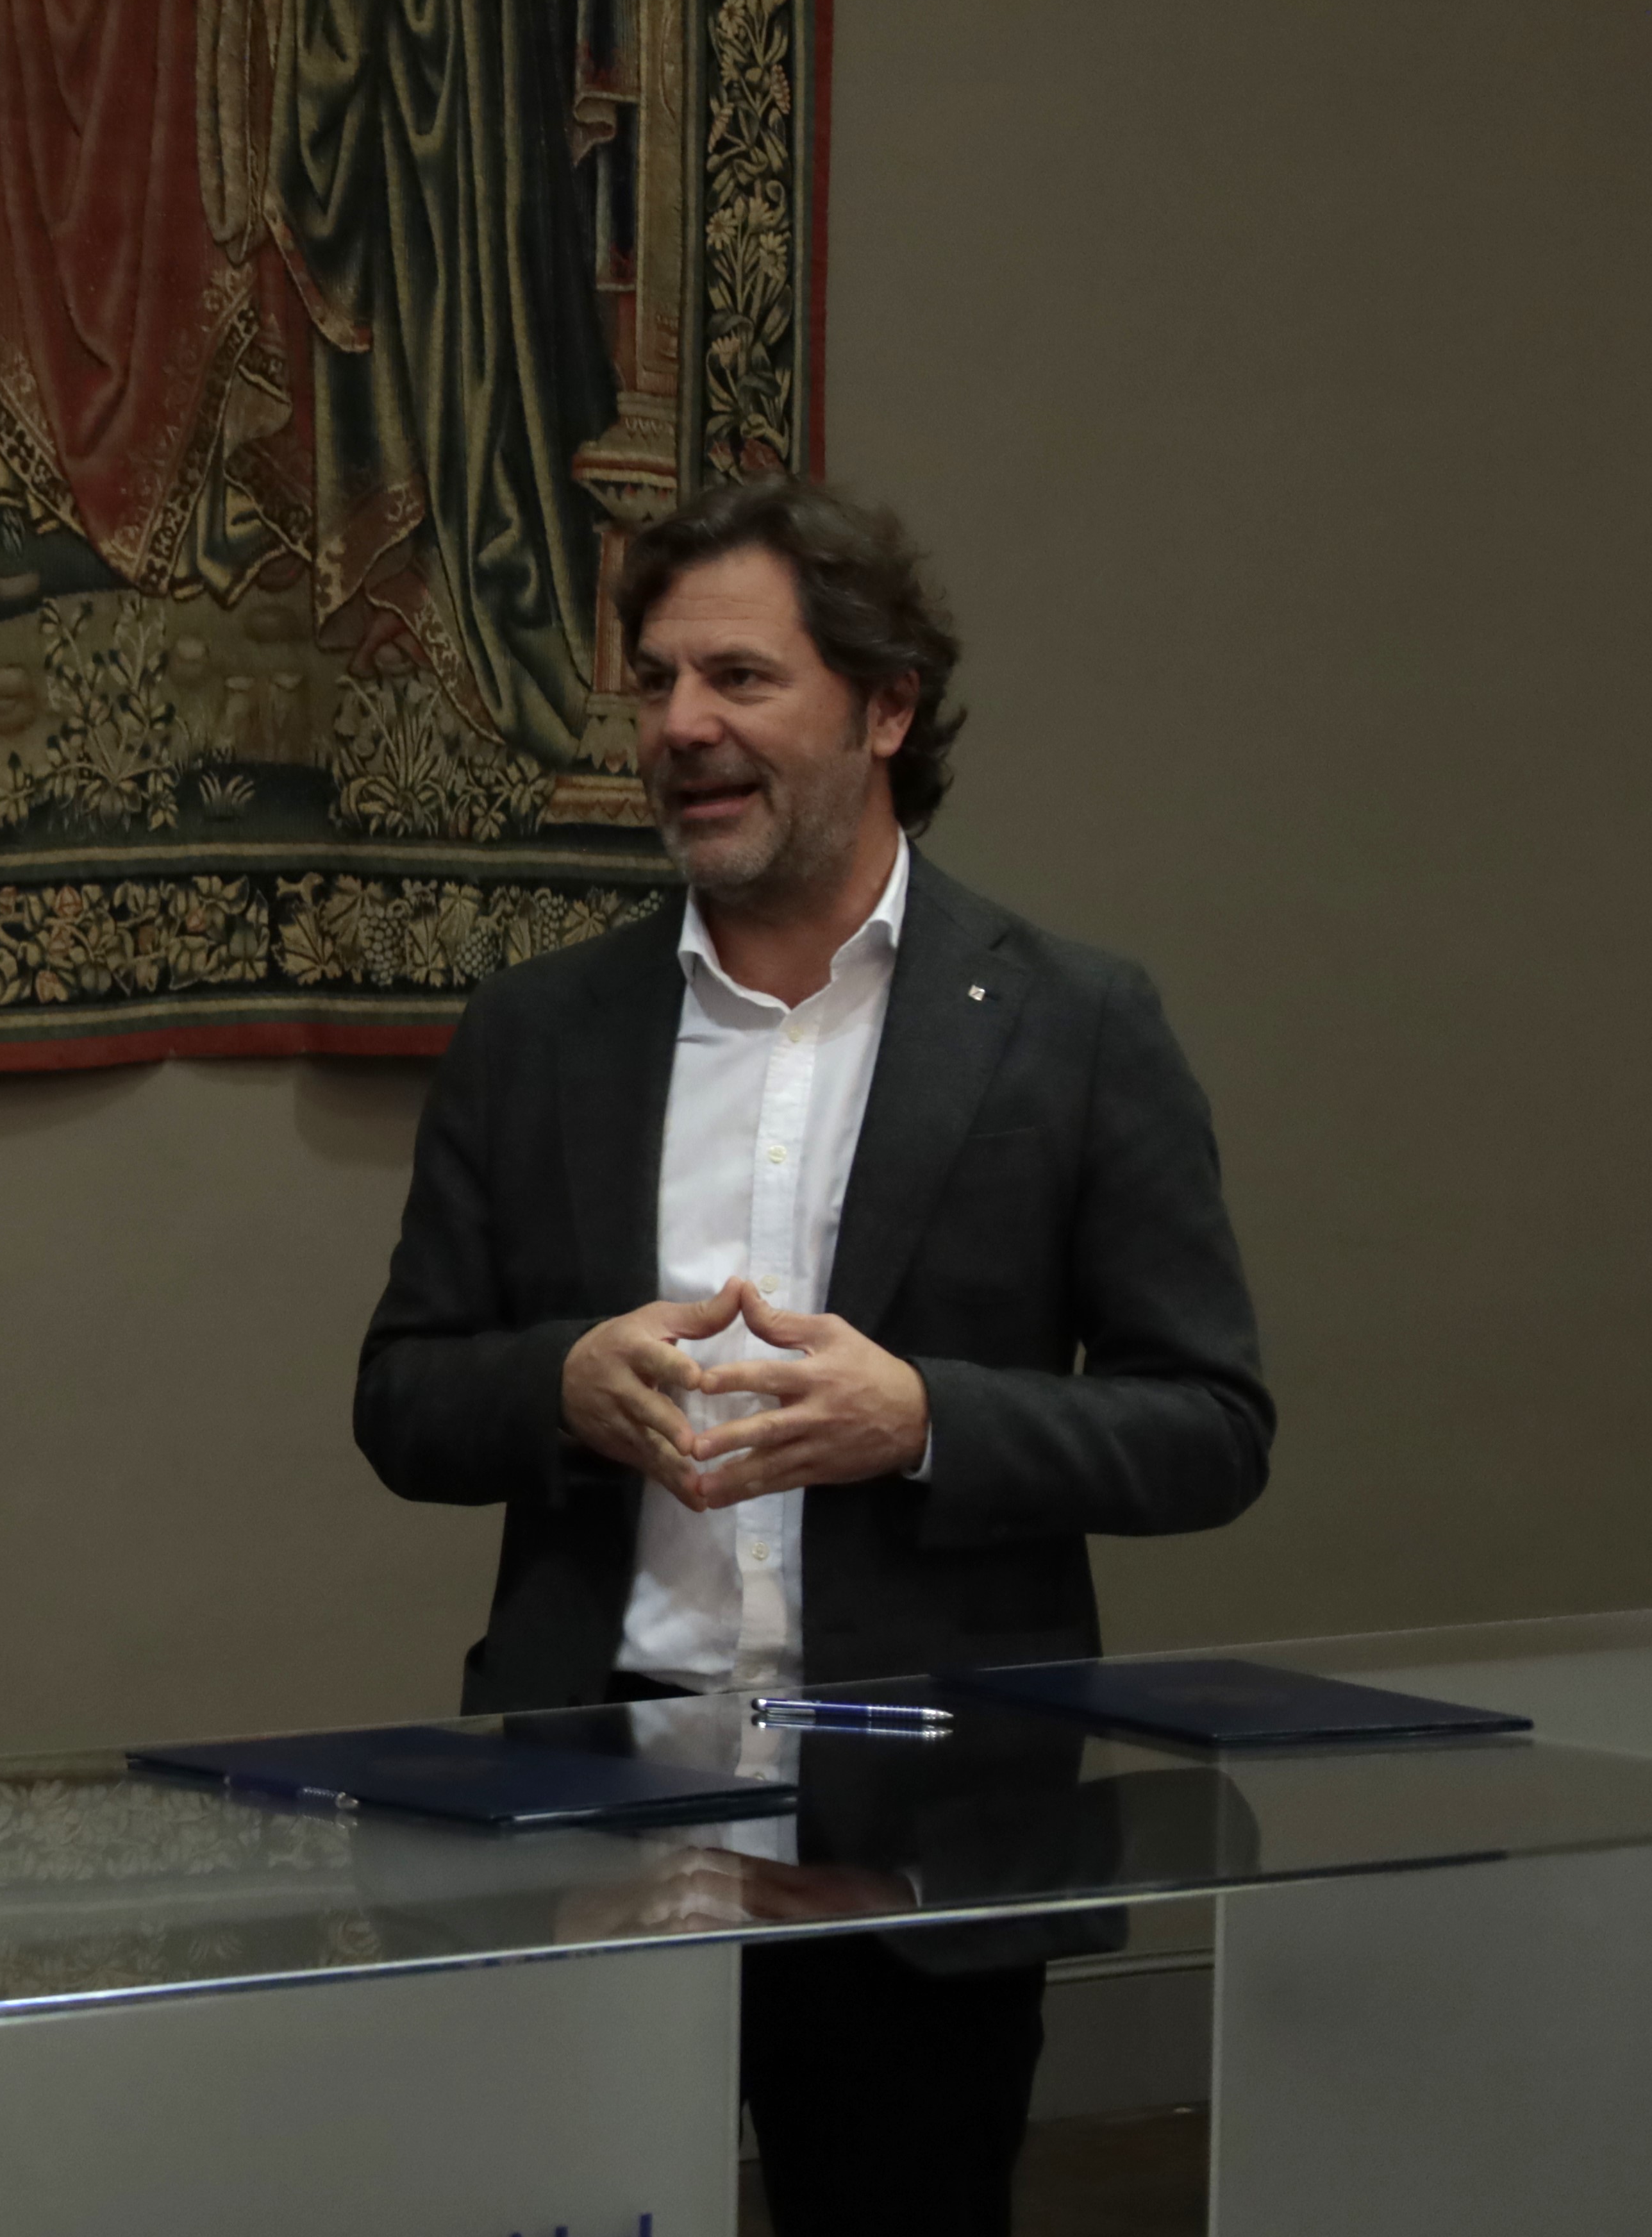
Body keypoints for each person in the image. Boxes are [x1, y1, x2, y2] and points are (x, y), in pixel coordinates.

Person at [351, 476, 1272, 2235]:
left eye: (741, 679)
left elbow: (1211, 1426)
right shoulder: (541, 1033)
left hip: (919, 1849)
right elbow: (402, 1397)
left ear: (888, 707)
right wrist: (560, 1385)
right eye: (654, 682)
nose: (681, 726)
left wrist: (923, 1421)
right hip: (590, 1828)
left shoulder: (1073, 1027)